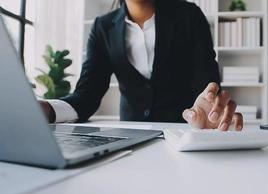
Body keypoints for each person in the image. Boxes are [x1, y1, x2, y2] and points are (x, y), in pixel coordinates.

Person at [40, 0, 244, 131]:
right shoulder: (102, 27)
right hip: (130, 136)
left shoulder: (189, 15)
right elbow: (87, 95)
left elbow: (206, 81)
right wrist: (48, 109)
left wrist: (210, 108)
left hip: (183, 132)